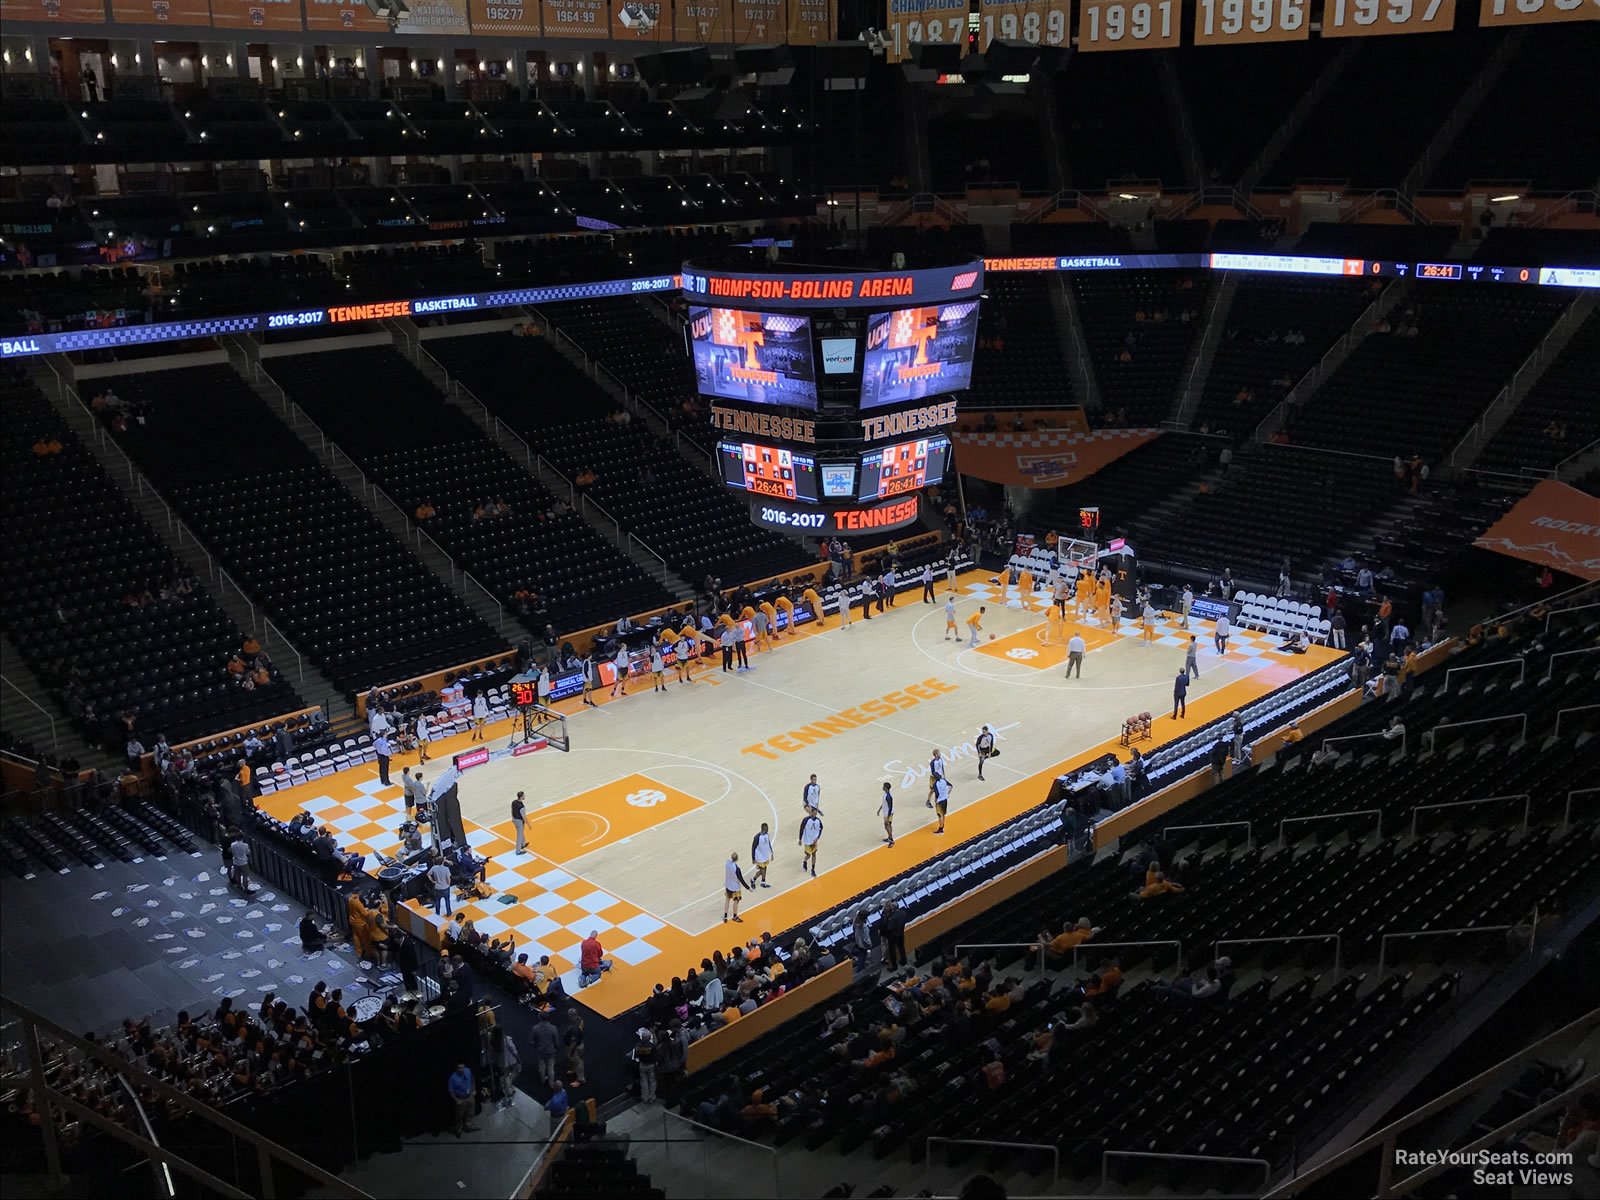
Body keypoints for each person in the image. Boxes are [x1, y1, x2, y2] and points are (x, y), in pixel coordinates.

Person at [529, 1012, 561, 1087]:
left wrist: (536, 1046)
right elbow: (556, 1042)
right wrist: (557, 1048)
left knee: (541, 1067)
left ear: (540, 1018)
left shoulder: (535, 1028)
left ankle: (543, 1080)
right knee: (550, 1068)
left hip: (540, 1051)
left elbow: (530, 1041)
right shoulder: (553, 1028)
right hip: (551, 1052)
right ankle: (551, 1084)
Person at [448, 1062, 477, 1136]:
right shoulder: (452, 1077)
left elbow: (472, 1079)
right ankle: (458, 1129)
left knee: (470, 1113)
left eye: (462, 1067)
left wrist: (474, 1089)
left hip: (470, 1097)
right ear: (456, 1068)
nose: (461, 1069)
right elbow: (451, 1091)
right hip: (460, 1099)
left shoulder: (468, 1070)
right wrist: (456, 1100)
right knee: (459, 1116)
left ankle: (469, 1126)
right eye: (459, 1068)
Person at [634, 1026, 659, 1104]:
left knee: (644, 1082)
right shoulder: (652, 1046)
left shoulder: (637, 1046)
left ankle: (644, 1098)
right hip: (651, 1066)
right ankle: (651, 1098)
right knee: (652, 1081)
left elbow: (636, 1056)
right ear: (649, 1038)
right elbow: (656, 1043)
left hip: (642, 1065)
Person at [880, 900, 907, 970]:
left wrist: (888, 920)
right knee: (901, 948)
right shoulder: (903, 913)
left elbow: (889, 928)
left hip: (893, 936)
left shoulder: (893, 917)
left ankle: (894, 966)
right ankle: (904, 961)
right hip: (901, 933)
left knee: (892, 952)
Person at [562, 1008, 587, 1084]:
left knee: (578, 1061)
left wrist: (571, 1051)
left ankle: (580, 1079)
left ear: (571, 1015)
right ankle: (574, 1070)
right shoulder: (579, 1019)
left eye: (568, 1015)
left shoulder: (575, 1028)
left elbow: (574, 1042)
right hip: (579, 1042)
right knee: (575, 1059)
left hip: (575, 1046)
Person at [799, 807, 823, 876]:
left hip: (814, 842)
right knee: (808, 855)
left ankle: (813, 870)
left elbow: (821, 829)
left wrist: (817, 838)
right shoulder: (806, 820)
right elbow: (801, 829)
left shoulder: (818, 821)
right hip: (807, 841)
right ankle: (805, 861)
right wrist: (800, 839)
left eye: (816, 813)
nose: (815, 814)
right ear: (811, 813)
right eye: (814, 813)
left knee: (814, 854)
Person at [750, 824, 774, 889]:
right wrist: (753, 858)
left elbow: (769, 844)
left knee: (763, 870)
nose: (768, 829)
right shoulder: (757, 837)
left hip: (765, 855)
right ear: (763, 829)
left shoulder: (767, 835)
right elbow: (753, 848)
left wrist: (771, 853)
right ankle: (761, 882)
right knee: (762, 870)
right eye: (766, 828)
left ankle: (755, 880)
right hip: (759, 856)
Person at [879, 781, 895, 847]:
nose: (882, 787)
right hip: (886, 812)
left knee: (886, 825)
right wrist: (879, 809)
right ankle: (890, 837)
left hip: (888, 813)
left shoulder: (888, 796)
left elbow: (890, 806)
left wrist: (888, 816)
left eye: (883, 786)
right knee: (888, 825)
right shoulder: (885, 794)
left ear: (885, 788)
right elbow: (884, 803)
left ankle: (891, 839)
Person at [511, 790, 527, 855]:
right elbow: (524, 816)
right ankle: (518, 851)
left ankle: (523, 843)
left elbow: (512, 810)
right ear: (521, 797)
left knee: (521, 832)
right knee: (519, 835)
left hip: (514, 819)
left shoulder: (513, 802)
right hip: (519, 821)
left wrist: (512, 818)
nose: (524, 796)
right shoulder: (522, 807)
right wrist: (528, 824)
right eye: (523, 795)